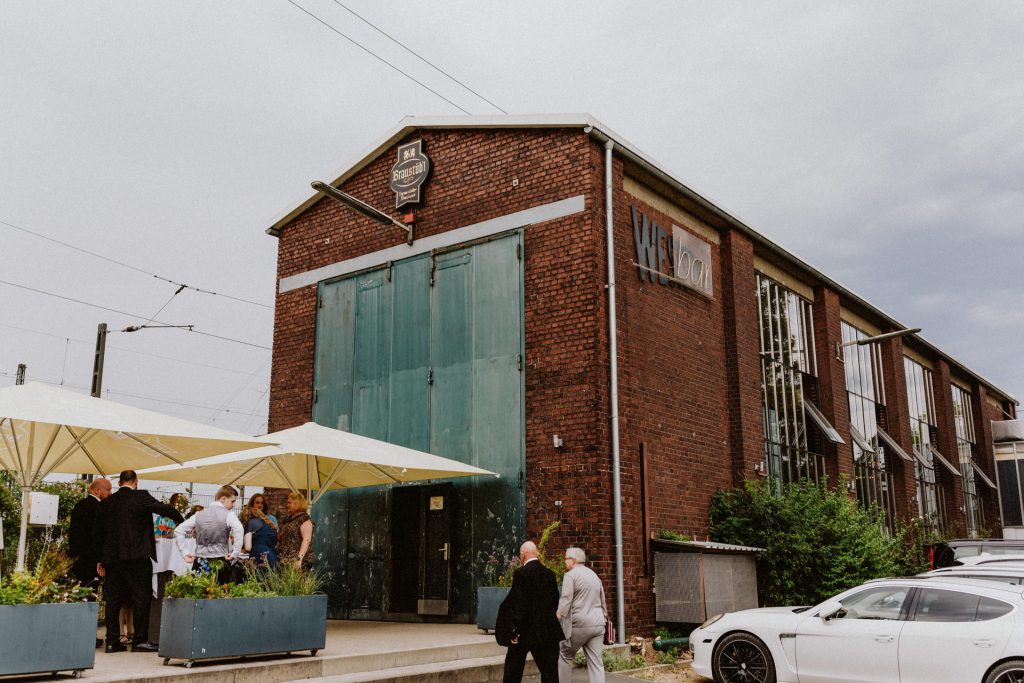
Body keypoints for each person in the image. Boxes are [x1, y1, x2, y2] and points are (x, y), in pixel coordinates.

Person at [93, 470, 183, 653]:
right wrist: (183, 522)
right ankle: (139, 641)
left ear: (119, 483)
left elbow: (97, 533)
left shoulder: (107, 502)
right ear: (136, 482)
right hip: (138, 557)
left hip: (113, 559)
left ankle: (112, 641)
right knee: (141, 598)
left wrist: (100, 559)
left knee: (113, 600)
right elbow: (166, 509)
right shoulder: (141, 497)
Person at [498, 540, 563, 683]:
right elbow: (554, 600)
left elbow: (518, 604)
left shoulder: (521, 573)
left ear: (523, 555)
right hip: (548, 631)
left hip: (526, 631)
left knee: (513, 670)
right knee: (550, 673)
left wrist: (513, 630)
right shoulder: (550, 574)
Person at [69, 477, 111, 648]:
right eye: (108, 490)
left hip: (78, 559)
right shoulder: (97, 508)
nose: (110, 493)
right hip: (91, 561)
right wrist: (100, 559)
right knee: (90, 596)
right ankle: (87, 635)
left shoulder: (79, 505)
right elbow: (96, 537)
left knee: (80, 596)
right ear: (97, 490)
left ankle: (78, 632)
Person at [556, 547, 608, 683]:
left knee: (564, 655)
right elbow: (602, 598)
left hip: (579, 624)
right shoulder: (594, 575)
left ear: (573, 560)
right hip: (598, 623)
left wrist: (557, 616)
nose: (564, 561)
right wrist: (605, 617)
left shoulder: (570, 575)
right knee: (596, 663)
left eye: (566, 558)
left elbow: (566, 599)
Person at [174, 485, 244, 584]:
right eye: (232, 501)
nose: (233, 505)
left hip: (200, 560)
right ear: (223, 498)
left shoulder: (198, 514)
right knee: (221, 595)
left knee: (199, 593)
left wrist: (185, 553)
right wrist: (235, 552)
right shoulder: (229, 515)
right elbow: (239, 529)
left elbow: (178, 531)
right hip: (221, 560)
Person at [277, 492, 314, 570]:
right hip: (287, 560)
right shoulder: (289, 519)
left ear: (297, 503)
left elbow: (306, 540)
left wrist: (299, 559)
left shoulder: (304, 519)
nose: (287, 505)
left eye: (289, 503)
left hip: (298, 562)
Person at [239, 493, 278, 566]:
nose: (260, 505)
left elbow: (248, 548)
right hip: (273, 555)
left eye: (262, 503)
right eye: (257, 503)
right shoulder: (269, 523)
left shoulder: (251, 523)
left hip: (258, 555)